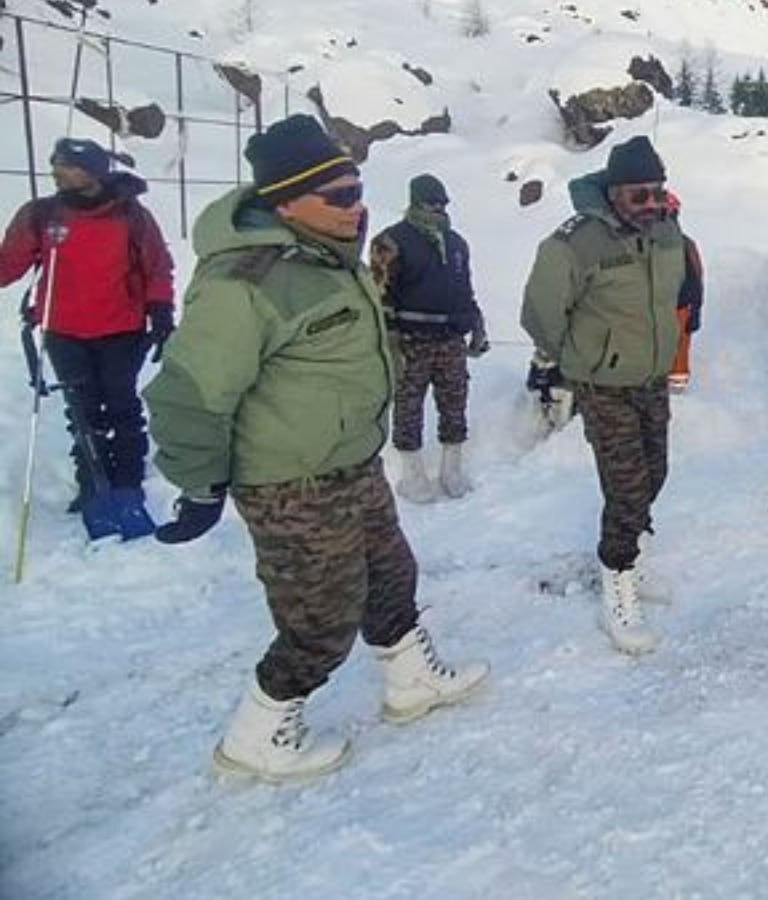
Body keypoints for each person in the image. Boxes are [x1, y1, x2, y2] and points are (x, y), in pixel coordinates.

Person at [144, 114, 488, 781]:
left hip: (352, 465)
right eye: (337, 195)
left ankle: (411, 679)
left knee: (391, 575)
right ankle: (257, 735)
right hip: (290, 483)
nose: (356, 207)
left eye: (357, 190)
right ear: (284, 201)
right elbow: (188, 393)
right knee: (320, 619)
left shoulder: (330, 259)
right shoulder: (249, 280)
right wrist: (198, 483)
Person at [522, 135, 686, 655]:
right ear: (613, 193)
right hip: (604, 385)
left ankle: (631, 558)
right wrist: (579, 361)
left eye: (658, 192)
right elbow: (541, 314)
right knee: (627, 487)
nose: (652, 203)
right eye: (640, 195)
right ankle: (618, 582)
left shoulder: (666, 233)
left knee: (655, 473)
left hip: (652, 379)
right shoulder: (575, 242)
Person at [0, 137, 174, 540]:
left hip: (122, 328)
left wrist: (161, 312)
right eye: (55, 165)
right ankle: (92, 483)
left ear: (93, 172)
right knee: (81, 409)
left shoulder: (132, 216)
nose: (57, 172)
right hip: (63, 330)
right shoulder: (42, 215)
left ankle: (128, 480)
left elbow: (157, 266)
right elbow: (8, 263)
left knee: (121, 404)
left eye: (67, 166)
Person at [368, 174, 488, 504]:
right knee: (408, 404)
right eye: (431, 203)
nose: (438, 209)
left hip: (451, 337)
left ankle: (452, 469)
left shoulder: (457, 244)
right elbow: (378, 296)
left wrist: (477, 324)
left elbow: (465, 290)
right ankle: (412, 473)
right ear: (414, 202)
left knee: (455, 400)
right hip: (410, 338)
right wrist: (390, 343)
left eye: (442, 203)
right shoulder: (389, 242)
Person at [664, 190, 704, 394]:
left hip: (677, 303)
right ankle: (676, 388)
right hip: (682, 303)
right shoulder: (686, 242)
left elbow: (696, 276)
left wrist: (695, 307)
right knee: (679, 346)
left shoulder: (683, 243)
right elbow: (697, 276)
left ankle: (676, 390)